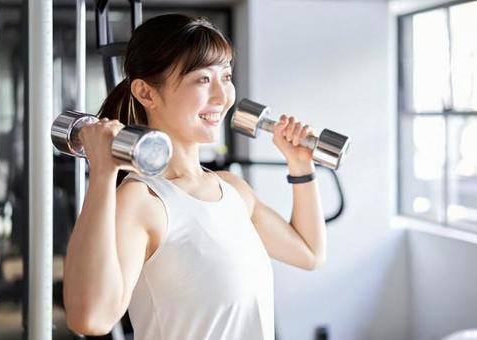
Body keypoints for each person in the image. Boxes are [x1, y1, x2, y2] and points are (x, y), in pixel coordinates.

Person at [63, 13, 326, 340]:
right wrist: (103, 173)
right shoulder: (145, 201)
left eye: (226, 76)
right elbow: (91, 318)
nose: (222, 96)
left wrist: (300, 165)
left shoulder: (232, 189)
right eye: (203, 79)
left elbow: (309, 253)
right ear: (146, 93)